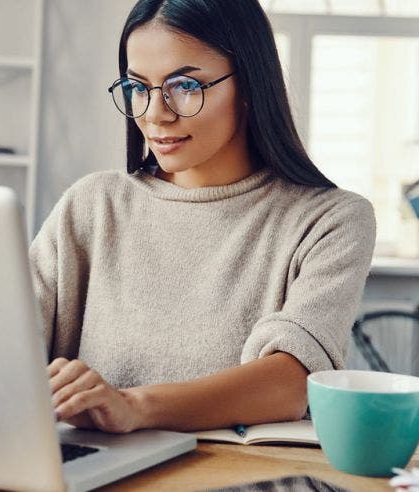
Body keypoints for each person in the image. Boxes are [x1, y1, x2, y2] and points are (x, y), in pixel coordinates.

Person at [29, 0, 376, 434]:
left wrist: (133, 406)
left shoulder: (331, 220)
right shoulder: (92, 206)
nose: (156, 113)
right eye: (138, 88)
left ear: (250, 84)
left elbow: (291, 381)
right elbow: (2, 340)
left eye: (185, 85)